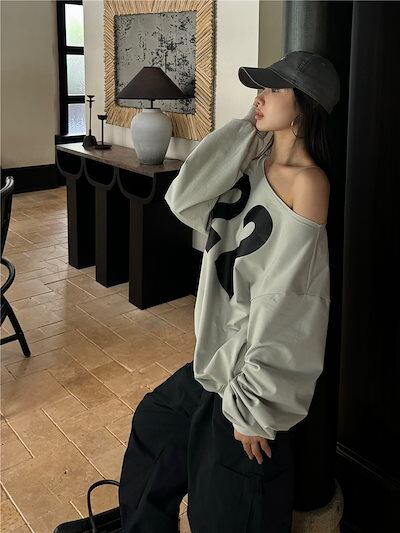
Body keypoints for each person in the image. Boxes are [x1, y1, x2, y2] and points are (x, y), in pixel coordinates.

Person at [118, 50, 340, 533]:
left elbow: (292, 300)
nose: (259, 97)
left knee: (223, 508)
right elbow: (183, 198)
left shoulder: (309, 183)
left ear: (304, 105)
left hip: (247, 370)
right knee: (154, 424)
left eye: (273, 89)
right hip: (213, 360)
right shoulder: (251, 163)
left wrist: (255, 403)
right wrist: (248, 132)